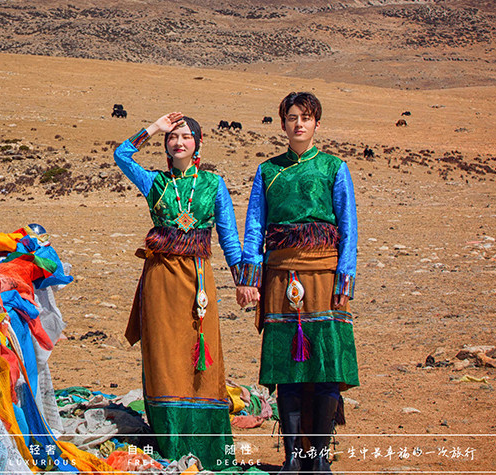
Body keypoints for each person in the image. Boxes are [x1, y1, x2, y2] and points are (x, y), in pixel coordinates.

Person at [114, 112, 247, 469]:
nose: (179, 142)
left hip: (198, 280)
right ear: (166, 145)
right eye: (172, 137)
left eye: (186, 136)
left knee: (201, 360)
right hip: (160, 281)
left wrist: (243, 279)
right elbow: (121, 155)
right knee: (164, 361)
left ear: (198, 143)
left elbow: (229, 238)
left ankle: (207, 449)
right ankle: (169, 446)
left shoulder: (213, 184)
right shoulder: (154, 182)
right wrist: (153, 127)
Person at [237, 92, 359, 473]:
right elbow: (254, 226)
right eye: (292, 118)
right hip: (279, 277)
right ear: (283, 124)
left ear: (317, 123)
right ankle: (293, 459)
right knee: (286, 368)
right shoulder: (268, 172)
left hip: (325, 277)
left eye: (306, 118)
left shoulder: (333, 168)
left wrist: (345, 279)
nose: (299, 124)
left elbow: (348, 227)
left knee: (326, 365)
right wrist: (250, 279)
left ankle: (319, 459)